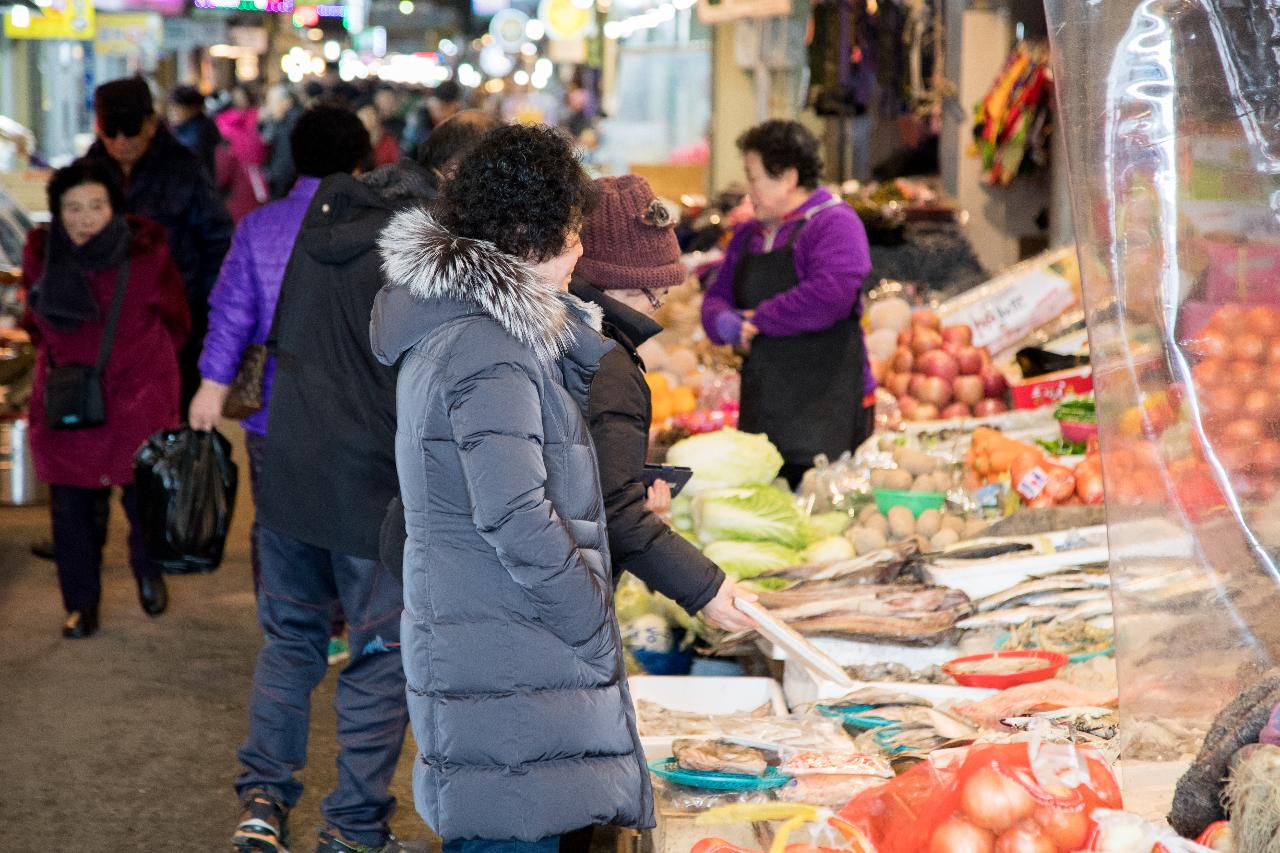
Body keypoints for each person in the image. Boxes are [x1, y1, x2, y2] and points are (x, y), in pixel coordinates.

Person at [371, 123, 652, 848]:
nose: (582, 250)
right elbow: (515, 515)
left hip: (495, 656)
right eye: (571, 233)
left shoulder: (466, 328)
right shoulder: (488, 349)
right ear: (528, 240)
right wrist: (590, 616)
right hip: (509, 669)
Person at [228, 106, 457, 853]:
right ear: (454, 180)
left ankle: (262, 801)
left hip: (291, 469)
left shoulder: (324, 224)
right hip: (368, 485)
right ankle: (353, 827)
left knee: (291, 639)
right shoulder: (417, 245)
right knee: (381, 655)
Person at [188, 106, 372, 602]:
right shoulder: (383, 232)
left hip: (276, 409)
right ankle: (346, 624)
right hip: (359, 411)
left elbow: (231, 314)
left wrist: (211, 385)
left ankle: (287, 625)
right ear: (360, 161)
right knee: (353, 522)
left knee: (278, 525)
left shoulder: (259, 226)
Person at [21, 159, 190, 638]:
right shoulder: (41, 257)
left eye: (96, 206)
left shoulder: (146, 254)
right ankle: (80, 605)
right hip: (68, 401)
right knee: (71, 510)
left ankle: (149, 569)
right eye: (72, 208)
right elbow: (35, 325)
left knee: (146, 498)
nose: (84, 217)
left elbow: (176, 318)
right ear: (56, 211)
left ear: (114, 208)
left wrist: (146, 370)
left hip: (139, 398)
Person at [701, 119, 873, 488]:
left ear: (788, 178)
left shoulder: (834, 224)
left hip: (827, 411)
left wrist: (759, 318)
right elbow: (715, 298)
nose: (749, 191)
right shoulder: (748, 235)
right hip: (764, 408)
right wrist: (724, 323)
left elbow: (831, 295)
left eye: (754, 177)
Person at [85, 75, 233, 412]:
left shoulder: (185, 170)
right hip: (100, 333)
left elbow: (218, 245)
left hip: (171, 332)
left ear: (151, 124)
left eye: (130, 129)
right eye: (111, 130)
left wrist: (201, 319)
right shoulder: (84, 175)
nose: (121, 141)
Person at [215, 84, 270, 222]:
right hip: (235, 178)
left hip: (256, 174)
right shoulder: (224, 120)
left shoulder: (259, 117)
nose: (240, 100)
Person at [261, 83, 304, 200]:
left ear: (286, 102)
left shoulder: (291, 122)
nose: (269, 106)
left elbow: (284, 159)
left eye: (272, 102)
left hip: (284, 182)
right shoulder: (278, 120)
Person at [168, 85, 221, 178]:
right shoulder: (201, 126)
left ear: (193, 109)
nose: (172, 114)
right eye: (171, 109)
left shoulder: (196, 135)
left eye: (176, 109)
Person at [356, 100, 400, 168]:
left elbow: (395, 165)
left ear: (378, 117)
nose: (369, 118)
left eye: (372, 114)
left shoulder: (389, 141)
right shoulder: (351, 140)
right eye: (365, 114)